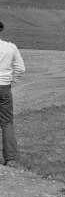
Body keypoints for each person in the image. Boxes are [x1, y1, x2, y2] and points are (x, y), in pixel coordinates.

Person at [0, 21, 25, 168]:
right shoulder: (11, 47)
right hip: (4, 87)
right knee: (7, 122)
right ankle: (10, 159)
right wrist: (10, 82)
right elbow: (20, 68)